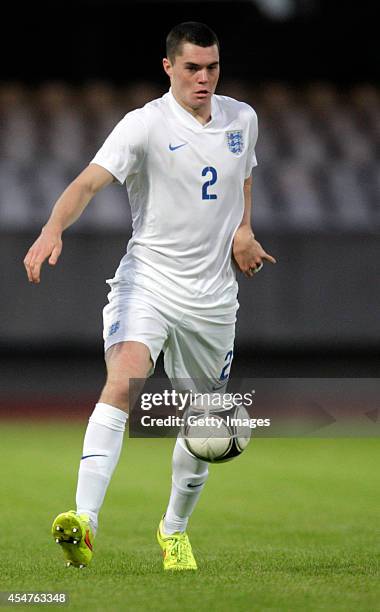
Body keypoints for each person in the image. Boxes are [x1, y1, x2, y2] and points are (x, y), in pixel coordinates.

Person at [23, 21, 276, 571]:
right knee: (124, 377)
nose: (203, 79)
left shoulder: (242, 119)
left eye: (211, 67)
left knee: (204, 426)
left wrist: (244, 229)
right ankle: (85, 523)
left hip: (213, 299)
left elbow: (242, 178)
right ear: (169, 68)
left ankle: (174, 529)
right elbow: (88, 181)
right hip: (150, 281)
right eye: (192, 68)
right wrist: (52, 228)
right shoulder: (144, 125)